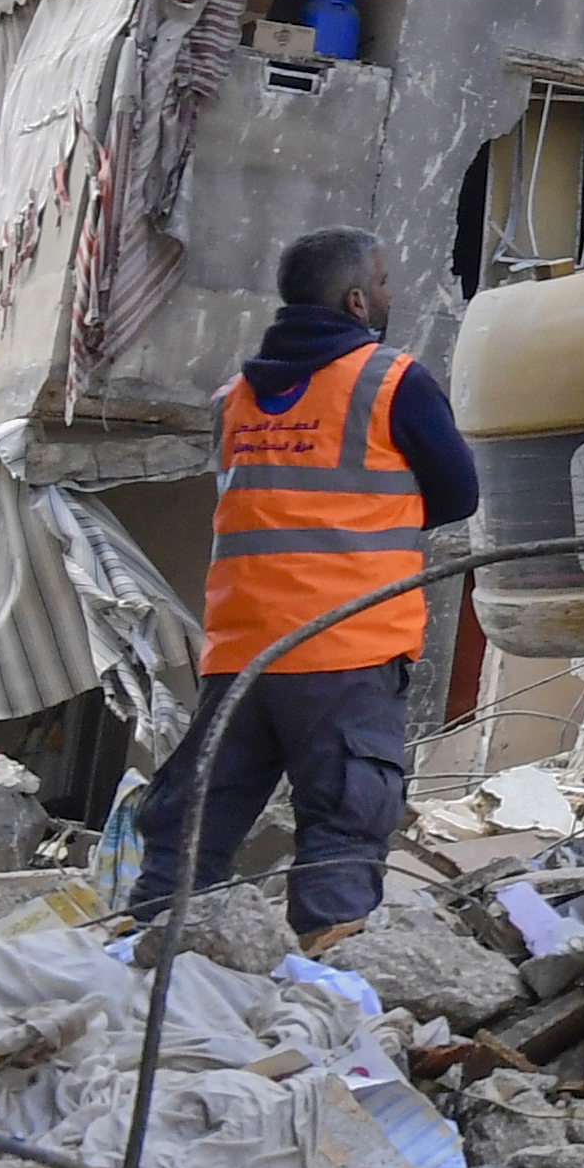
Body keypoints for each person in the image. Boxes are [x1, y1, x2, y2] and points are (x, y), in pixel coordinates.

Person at [135, 227, 473, 947]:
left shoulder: (234, 401)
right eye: (383, 283)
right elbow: (458, 494)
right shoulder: (391, 380)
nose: (389, 295)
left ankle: (143, 985)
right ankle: (326, 1014)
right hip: (347, 653)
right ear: (356, 300)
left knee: (187, 843)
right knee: (343, 838)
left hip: (242, 660)